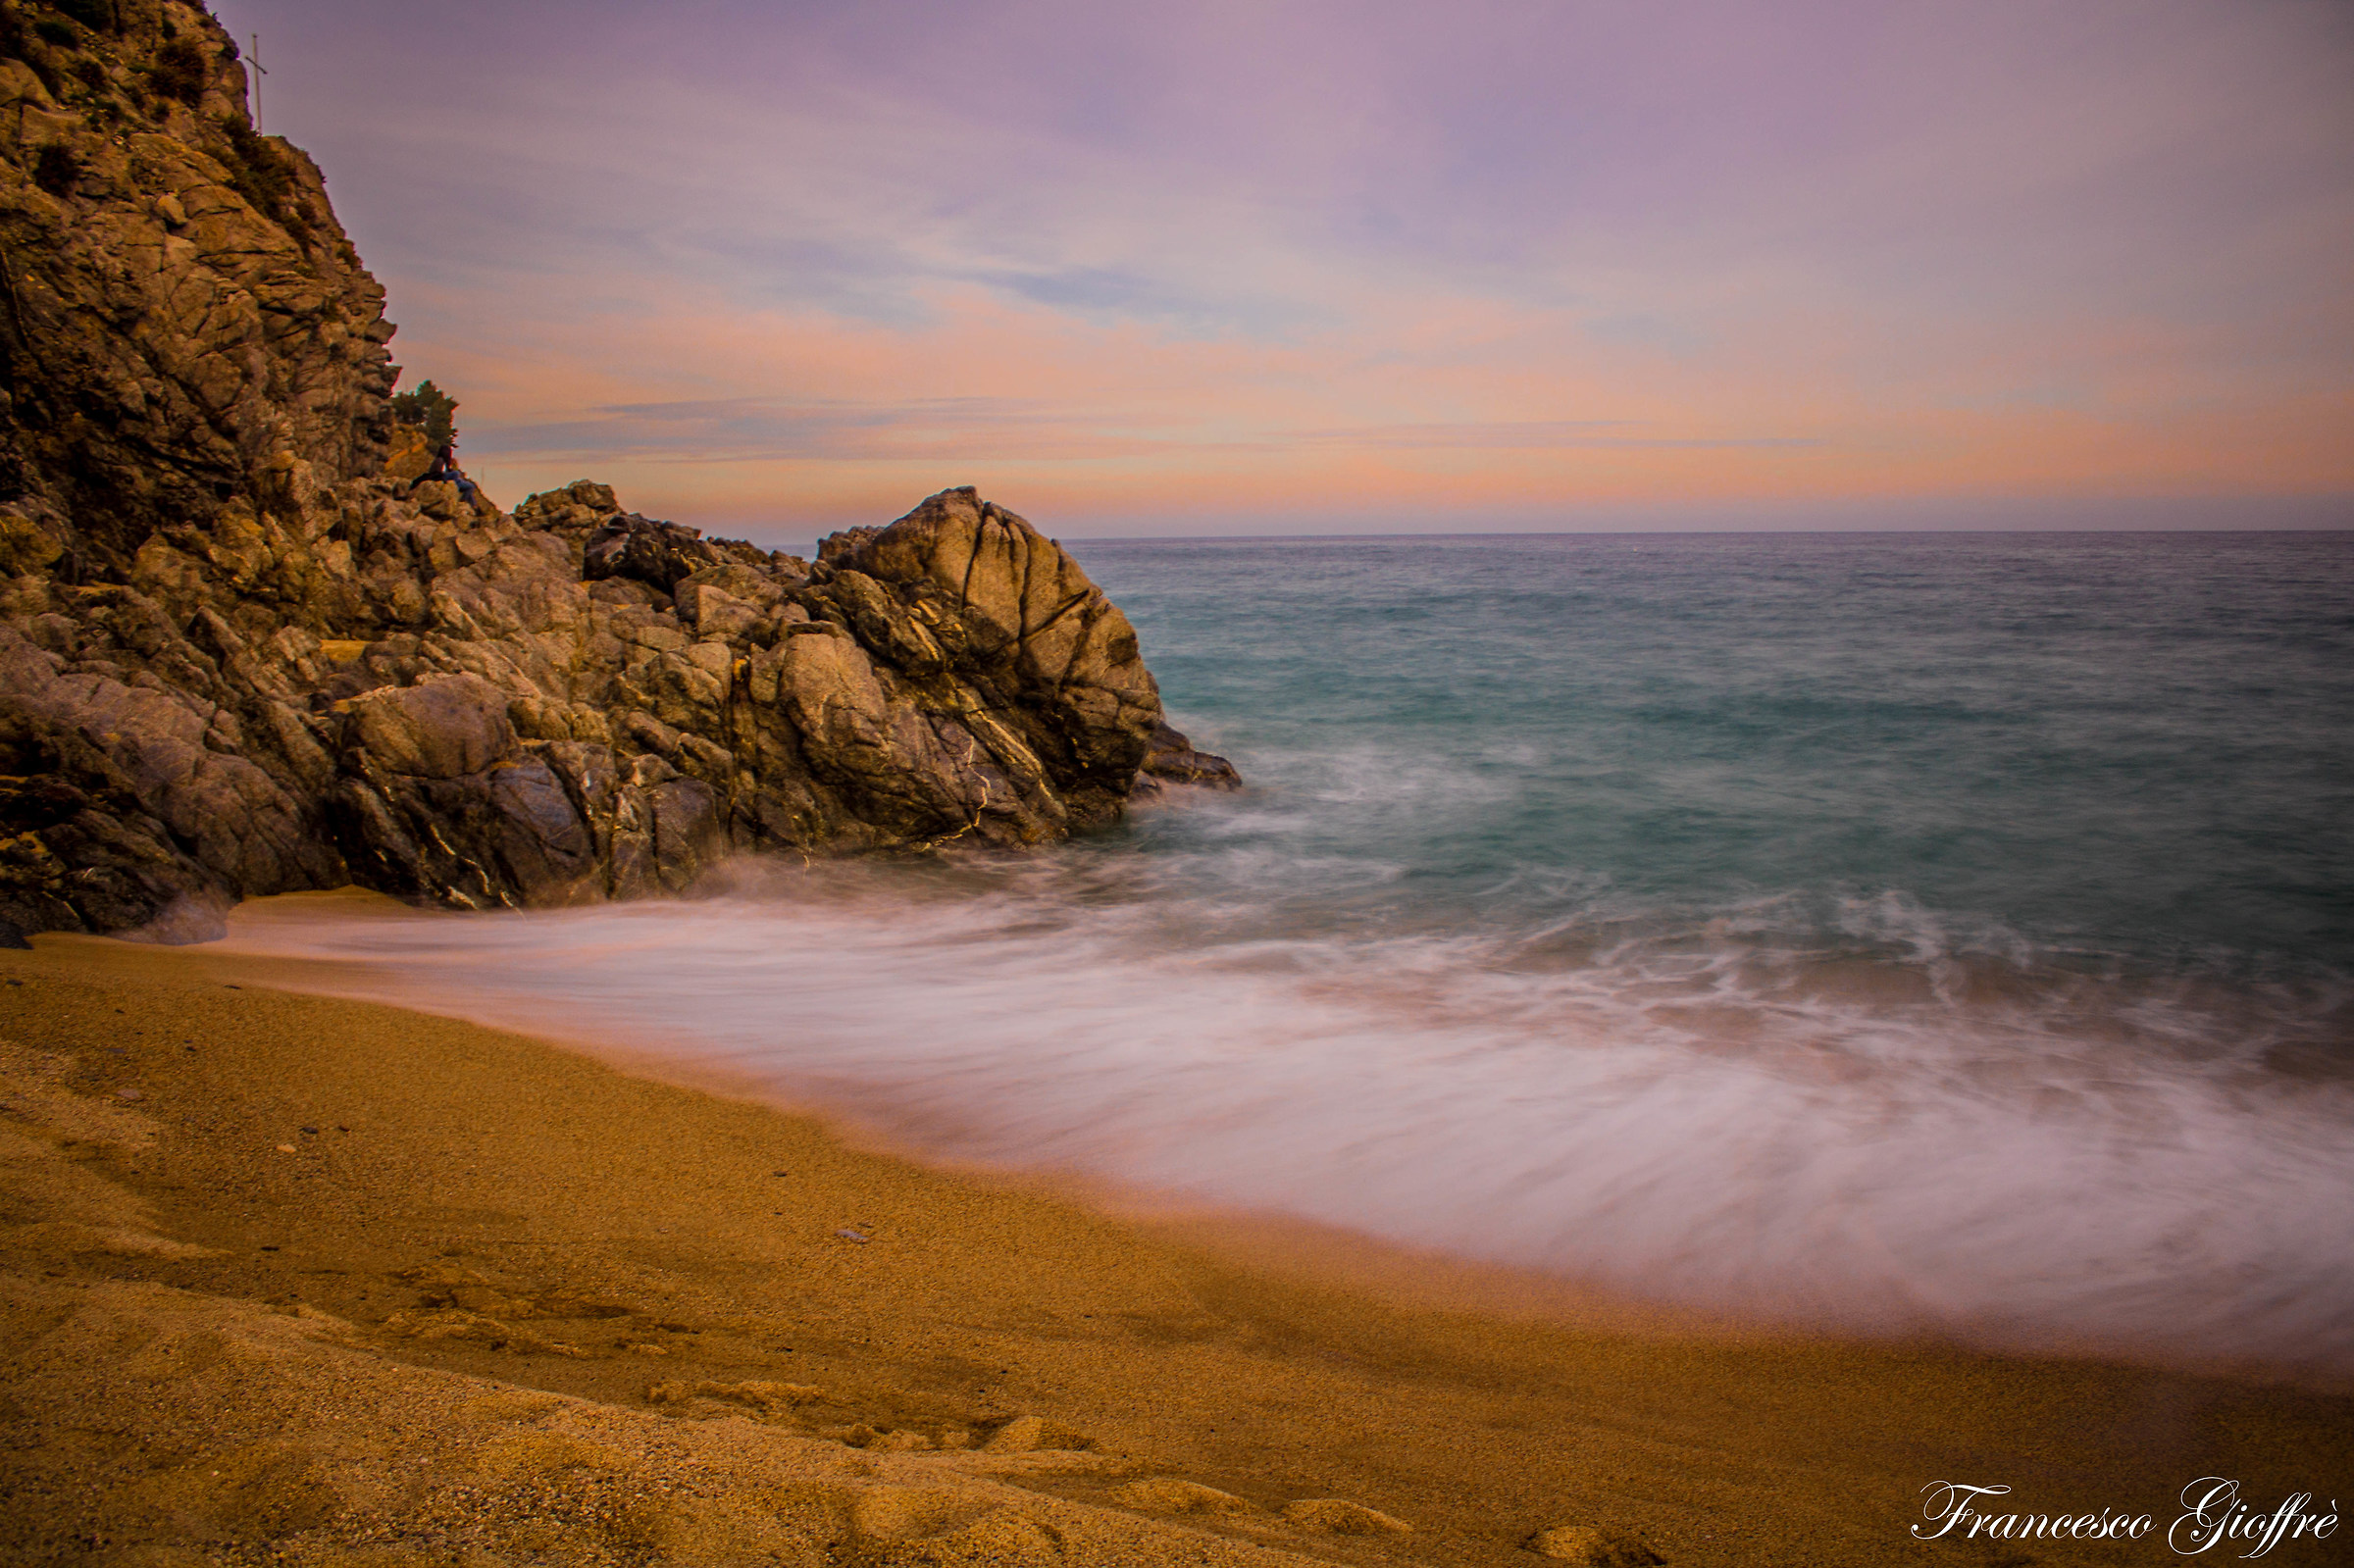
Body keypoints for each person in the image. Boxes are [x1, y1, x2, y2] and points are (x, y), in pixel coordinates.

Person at [420, 439, 480, 507]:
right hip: (448, 481)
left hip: (453, 480)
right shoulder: (440, 461)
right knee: (470, 486)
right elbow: (439, 474)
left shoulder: (441, 461)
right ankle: (464, 501)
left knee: (469, 487)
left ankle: (473, 505)